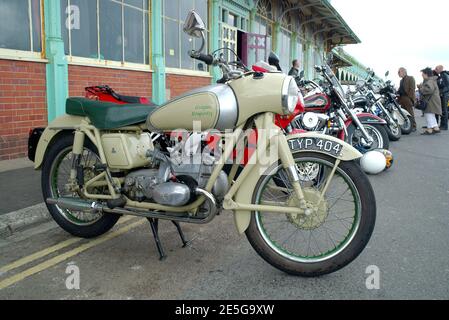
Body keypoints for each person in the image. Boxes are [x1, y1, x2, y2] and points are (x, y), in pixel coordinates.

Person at [419, 67, 442, 135]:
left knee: (428, 114)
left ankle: (429, 129)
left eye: (423, 74)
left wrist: (421, 88)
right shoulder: (432, 80)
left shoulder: (429, 81)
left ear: (426, 74)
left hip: (430, 101)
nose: (422, 75)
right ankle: (435, 128)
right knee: (431, 114)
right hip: (432, 101)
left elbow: (429, 90)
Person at [434, 65, 449, 130]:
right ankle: (442, 125)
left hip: (444, 95)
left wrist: (441, 92)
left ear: (440, 69)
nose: (435, 70)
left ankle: (444, 125)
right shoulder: (441, 76)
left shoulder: (444, 75)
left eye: (436, 68)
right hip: (443, 94)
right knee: (442, 110)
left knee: (444, 110)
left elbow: (447, 86)